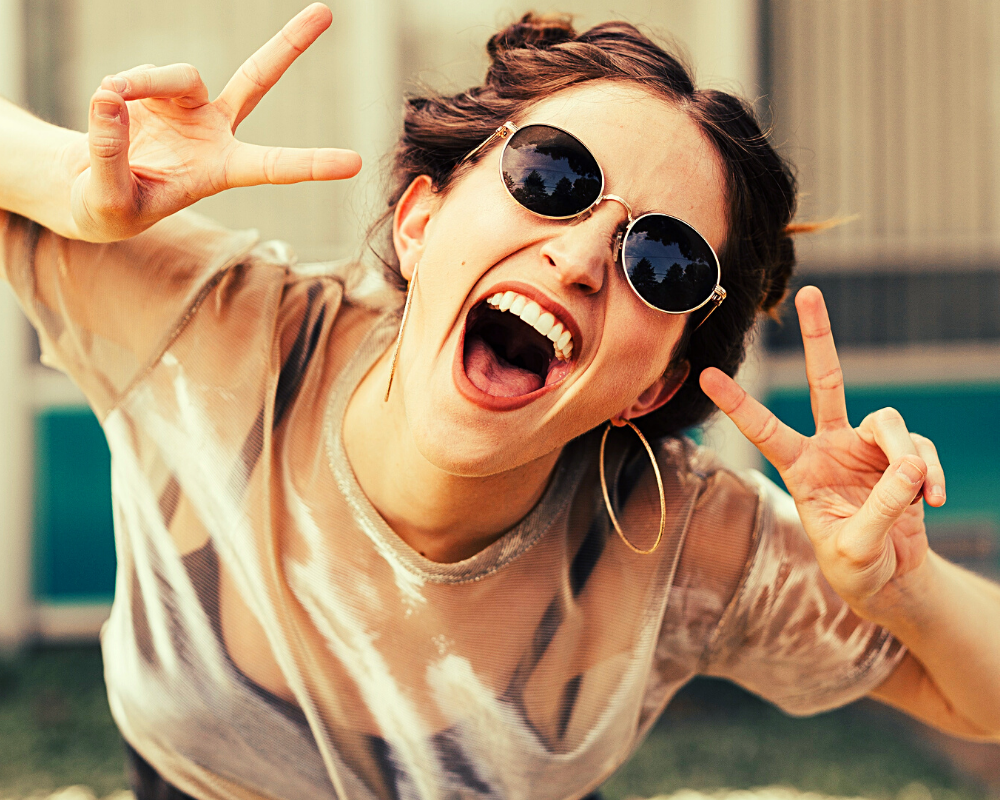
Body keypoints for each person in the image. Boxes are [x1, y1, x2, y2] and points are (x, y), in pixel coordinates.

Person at [1, 5, 998, 799]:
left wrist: (903, 588)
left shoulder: (677, 539)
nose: (579, 258)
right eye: (553, 176)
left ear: (650, 384)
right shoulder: (213, 329)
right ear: (423, 217)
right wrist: (74, 193)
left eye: (661, 258)